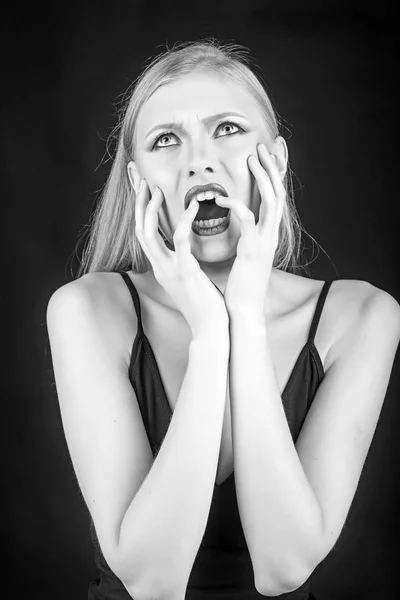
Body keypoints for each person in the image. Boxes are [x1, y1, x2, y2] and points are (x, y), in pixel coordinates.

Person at [46, 38, 400, 600]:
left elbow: (283, 569)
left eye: (228, 129)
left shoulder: (362, 316)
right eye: (167, 140)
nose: (199, 160)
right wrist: (211, 336)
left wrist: (246, 318)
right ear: (139, 182)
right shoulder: (86, 309)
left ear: (276, 161)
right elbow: (152, 581)